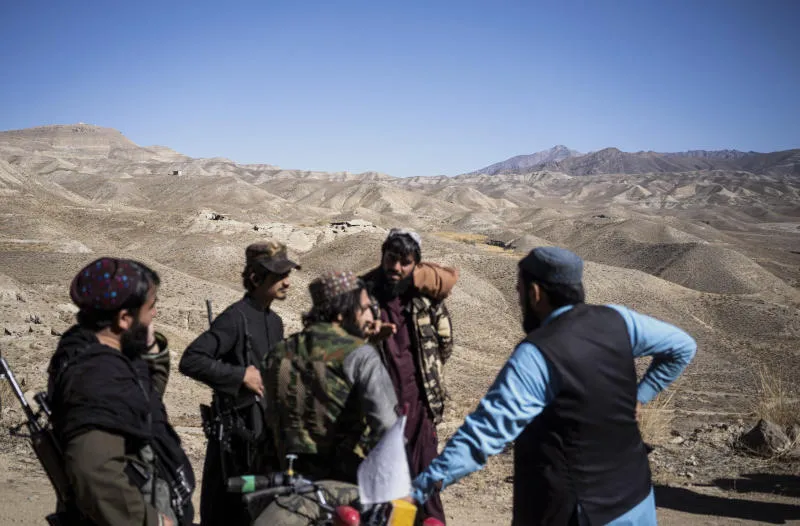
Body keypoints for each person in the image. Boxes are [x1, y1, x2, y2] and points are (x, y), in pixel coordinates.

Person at [409, 246, 698, 525]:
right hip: (636, 500)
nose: (519, 299)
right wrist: (640, 396)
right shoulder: (618, 320)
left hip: (574, 511)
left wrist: (420, 489)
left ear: (535, 294)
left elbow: (483, 435)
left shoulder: (537, 355)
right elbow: (683, 346)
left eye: (519, 291)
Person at [47, 257, 195, 526]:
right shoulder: (98, 376)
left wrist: (149, 348)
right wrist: (153, 521)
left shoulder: (100, 351)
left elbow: (145, 403)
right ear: (124, 318)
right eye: (151, 307)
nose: (154, 314)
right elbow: (94, 469)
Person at [256, 270, 399, 526]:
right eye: (365, 308)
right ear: (343, 312)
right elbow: (387, 427)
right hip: (342, 493)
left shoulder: (277, 353)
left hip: (280, 486)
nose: (370, 316)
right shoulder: (361, 355)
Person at [179, 240, 300, 525]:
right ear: (256, 278)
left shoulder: (275, 322)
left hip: (263, 440)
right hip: (233, 446)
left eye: (287, 275)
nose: (287, 283)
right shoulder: (235, 319)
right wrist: (240, 376)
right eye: (279, 276)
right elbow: (191, 360)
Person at [360, 228, 457, 525]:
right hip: (379, 407)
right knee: (383, 482)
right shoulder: (365, 297)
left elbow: (445, 342)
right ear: (382, 257)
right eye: (391, 259)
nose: (397, 268)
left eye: (405, 262)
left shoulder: (425, 300)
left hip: (420, 404)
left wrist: (428, 372)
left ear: (415, 265)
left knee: (426, 478)